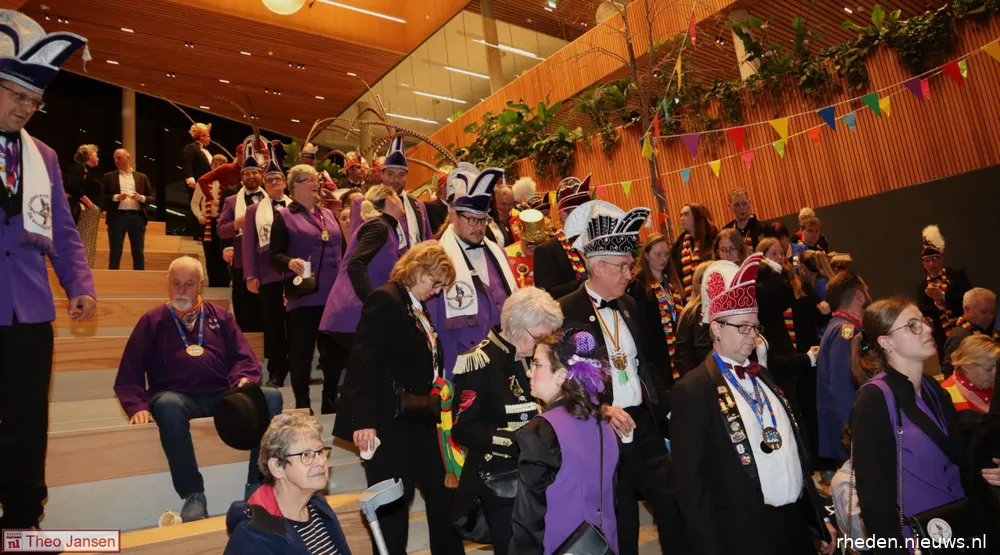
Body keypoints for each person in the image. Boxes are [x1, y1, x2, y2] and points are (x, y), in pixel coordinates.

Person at [671, 254, 836, 555]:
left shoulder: (765, 378)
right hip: (743, 536)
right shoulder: (693, 391)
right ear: (716, 328)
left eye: (755, 327)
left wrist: (819, 519)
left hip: (795, 528)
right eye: (743, 327)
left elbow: (795, 453)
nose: (752, 336)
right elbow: (690, 488)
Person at [0, 13, 94, 530]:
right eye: (17, 95)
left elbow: (63, 227)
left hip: (30, 310)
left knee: (28, 418)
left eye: (34, 101)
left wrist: (79, 284)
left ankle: (22, 521)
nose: (25, 107)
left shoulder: (45, 156)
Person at [113, 256, 283, 520]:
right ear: (168, 285)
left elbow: (245, 358)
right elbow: (129, 370)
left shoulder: (221, 317)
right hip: (179, 399)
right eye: (176, 284)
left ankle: (256, 486)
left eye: (189, 284)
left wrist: (243, 379)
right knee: (166, 405)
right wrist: (137, 406)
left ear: (200, 286)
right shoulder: (152, 320)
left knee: (271, 396)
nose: (181, 290)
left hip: (222, 397)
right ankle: (193, 495)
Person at [559, 200, 680, 555]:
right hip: (602, 432)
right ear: (597, 266)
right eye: (623, 266)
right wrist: (602, 409)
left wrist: (668, 408)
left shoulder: (630, 304)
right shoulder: (567, 310)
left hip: (643, 425)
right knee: (621, 520)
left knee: (672, 504)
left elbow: (645, 364)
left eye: (630, 265)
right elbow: (565, 379)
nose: (630, 273)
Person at [336, 243, 465, 555]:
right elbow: (363, 362)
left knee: (442, 494)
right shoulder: (386, 299)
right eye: (435, 282)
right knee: (393, 508)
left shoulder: (414, 305)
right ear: (418, 270)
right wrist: (364, 421)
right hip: (388, 421)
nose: (437, 291)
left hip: (419, 417)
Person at [848, 297, 997, 553]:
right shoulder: (874, 399)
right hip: (915, 539)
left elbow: (962, 450)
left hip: (956, 526)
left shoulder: (931, 388)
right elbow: (874, 497)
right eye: (913, 325)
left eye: (924, 321)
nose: (927, 328)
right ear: (886, 342)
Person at [452, 287, 563, 554]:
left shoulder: (536, 355)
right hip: (504, 480)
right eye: (538, 336)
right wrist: (519, 442)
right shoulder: (479, 361)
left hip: (542, 477)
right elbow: (464, 429)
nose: (542, 344)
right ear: (515, 327)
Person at [508, 329, 619, 555]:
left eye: (536, 364)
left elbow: (528, 517)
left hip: (558, 547)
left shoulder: (541, 430)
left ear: (560, 376)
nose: (529, 372)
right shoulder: (606, 424)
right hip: (602, 547)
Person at [427, 164, 519, 377]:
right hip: (461, 362)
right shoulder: (436, 256)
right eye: (472, 220)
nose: (478, 227)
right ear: (453, 217)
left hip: (503, 357)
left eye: (483, 220)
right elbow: (431, 322)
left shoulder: (497, 252)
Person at [269, 165, 344, 413]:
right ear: (295, 186)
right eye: (309, 179)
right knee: (301, 352)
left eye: (315, 178)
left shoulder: (328, 214)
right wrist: (289, 262)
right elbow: (274, 255)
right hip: (305, 296)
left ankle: (330, 398)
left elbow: (342, 250)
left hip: (333, 296)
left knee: (332, 351)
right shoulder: (284, 217)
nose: (315, 183)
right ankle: (302, 403)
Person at [225, 413, 352, 554]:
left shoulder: (318, 506)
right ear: (277, 467)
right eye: (306, 455)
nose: (321, 461)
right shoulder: (252, 536)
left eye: (320, 451)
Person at [320, 185, 405, 380]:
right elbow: (356, 264)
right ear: (390, 200)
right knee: (373, 374)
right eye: (398, 197)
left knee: (368, 374)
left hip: (355, 312)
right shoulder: (378, 226)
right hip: (354, 311)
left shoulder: (384, 227)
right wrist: (372, 301)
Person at [243, 150, 292, 387]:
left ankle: (298, 368)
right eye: (270, 179)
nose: (274, 183)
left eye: (278, 179)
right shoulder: (253, 211)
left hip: (294, 275)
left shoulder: (296, 207)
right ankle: (276, 372)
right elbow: (248, 245)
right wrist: (250, 275)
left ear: (285, 183)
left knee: (296, 325)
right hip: (268, 275)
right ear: (265, 183)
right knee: (273, 326)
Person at [756, 238, 820, 413]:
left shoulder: (795, 282)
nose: (779, 257)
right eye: (773, 254)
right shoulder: (768, 287)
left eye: (781, 253)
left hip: (801, 354)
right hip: (784, 361)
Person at [816, 270, 870, 465]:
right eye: (866, 289)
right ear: (859, 295)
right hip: (851, 437)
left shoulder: (838, 326)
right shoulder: (846, 331)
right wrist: (856, 433)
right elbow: (842, 387)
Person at [219, 137, 269, 333]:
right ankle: (245, 339)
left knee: (266, 303)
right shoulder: (232, 200)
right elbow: (221, 229)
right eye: (247, 173)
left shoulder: (272, 199)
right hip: (241, 258)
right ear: (241, 177)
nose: (251, 176)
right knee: (244, 302)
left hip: (267, 258)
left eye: (255, 172)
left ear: (261, 175)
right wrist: (236, 223)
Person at [627, 232, 685, 387]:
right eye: (658, 254)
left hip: (676, 350)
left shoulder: (671, 281)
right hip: (656, 355)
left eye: (666, 254)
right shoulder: (638, 284)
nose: (663, 259)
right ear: (646, 255)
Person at [916, 224, 972, 363]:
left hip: (966, 328)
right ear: (923, 264)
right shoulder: (922, 286)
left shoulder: (957, 275)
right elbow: (924, 311)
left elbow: (969, 298)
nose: (931, 264)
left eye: (934, 259)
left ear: (942, 259)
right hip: (942, 338)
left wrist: (943, 296)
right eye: (927, 261)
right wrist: (937, 303)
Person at [533, 175, 591, 299]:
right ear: (564, 215)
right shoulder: (546, 250)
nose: (586, 218)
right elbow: (546, 294)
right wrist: (588, 282)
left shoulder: (594, 242)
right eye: (580, 213)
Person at [102, 148, 154, 270]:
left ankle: (139, 277)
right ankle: (113, 277)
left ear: (128, 158)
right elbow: (102, 197)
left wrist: (140, 197)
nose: (116, 160)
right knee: (115, 251)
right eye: (115, 158)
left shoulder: (141, 177)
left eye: (119, 157)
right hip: (117, 217)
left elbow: (152, 197)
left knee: (138, 252)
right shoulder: (108, 177)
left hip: (137, 217)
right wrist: (116, 197)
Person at [192, 153, 230, 287]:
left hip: (224, 222)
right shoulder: (203, 181)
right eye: (215, 164)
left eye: (221, 164)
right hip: (208, 222)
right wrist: (199, 216)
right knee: (210, 253)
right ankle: (214, 282)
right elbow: (194, 203)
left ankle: (225, 281)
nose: (218, 166)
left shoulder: (229, 182)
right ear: (211, 165)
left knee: (223, 251)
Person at [941, 287, 998, 376]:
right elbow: (949, 372)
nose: (990, 317)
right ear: (967, 309)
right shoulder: (960, 337)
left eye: (993, 312)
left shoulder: (989, 331)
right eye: (984, 312)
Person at [64, 144, 102, 266]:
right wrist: (89, 204)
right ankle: (79, 266)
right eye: (96, 155)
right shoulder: (78, 167)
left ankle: (84, 266)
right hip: (82, 210)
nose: (98, 158)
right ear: (89, 156)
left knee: (87, 241)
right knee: (82, 240)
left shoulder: (88, 170)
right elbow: (72, 186)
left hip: (87, 210)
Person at [670, 202, 717, 299]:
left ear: (697, 216)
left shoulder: (712, 237)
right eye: (681, 215)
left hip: (712, 292)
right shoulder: (679, 244)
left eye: (686, 214)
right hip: (690, 298)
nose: (682, 218)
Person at [941, 335, 998, 413]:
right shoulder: (945, 396)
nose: (995, 374)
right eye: (989, 369)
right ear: (966, 365)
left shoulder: (996, 385)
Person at [674, 263, 712, 377]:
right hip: (702, 376)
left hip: (692, 375)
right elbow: (703, 351)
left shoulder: (689, 309)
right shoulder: (700, 310)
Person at [183, 122, 214, 240]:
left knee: (204, 206)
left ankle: (203, 232)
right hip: (196, 183)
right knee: (195, 205)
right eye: (208, 136)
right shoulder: (191, 147)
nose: (209, 138)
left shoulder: (204, 150)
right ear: (201, 136)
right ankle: (195, 233)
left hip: (206, 184)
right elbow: (187, 163)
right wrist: (190, 179)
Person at [504, 209, 548, 288]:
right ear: (521, 239)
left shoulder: (550, 251)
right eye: (530, 243)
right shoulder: (506, 255)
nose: (535, 248)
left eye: (539, 243)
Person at [487, 183, 515, 247]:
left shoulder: (505, 222)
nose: (506, 208)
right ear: (493, 202)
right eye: (503, 204)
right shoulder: (482, 223)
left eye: (510, 204)